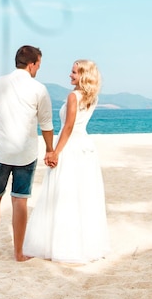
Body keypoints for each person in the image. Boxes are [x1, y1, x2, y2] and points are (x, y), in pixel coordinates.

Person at [23, 59, 110, 264]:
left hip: (70, 147)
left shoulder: (73, 96)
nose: (70, 75)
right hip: (85, 148)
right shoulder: (92, 97)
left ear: (83, 75)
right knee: (82, 196)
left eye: (74, 72)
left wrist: (54, 152)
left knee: (63, 195)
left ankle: (62, 245)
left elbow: (68, 127)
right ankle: (85, 245)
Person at [0, 45, 54, 262]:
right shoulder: (39, 89)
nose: (38, 68)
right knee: (20, 201)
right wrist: (50, 149)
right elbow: (46, 124)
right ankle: (19, 253)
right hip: (26, 155)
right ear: (32, 64)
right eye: (39, 64)